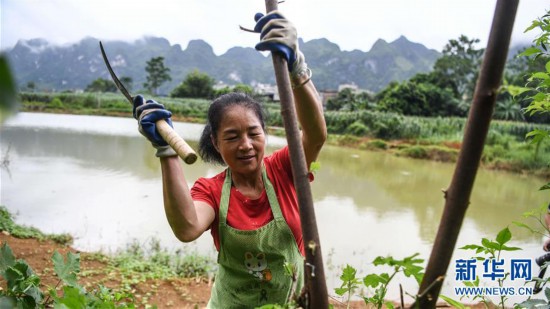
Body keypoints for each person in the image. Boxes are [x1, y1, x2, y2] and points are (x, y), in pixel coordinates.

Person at [132, 11, 327, 308]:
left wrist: (297, 66)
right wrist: (166, 151)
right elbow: (187, 228)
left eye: (253, 133)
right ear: (216, 143)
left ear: (265, 134)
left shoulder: (284, 169)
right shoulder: (211, 190)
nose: (246, 145)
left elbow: (314, 135)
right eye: (233, 137)